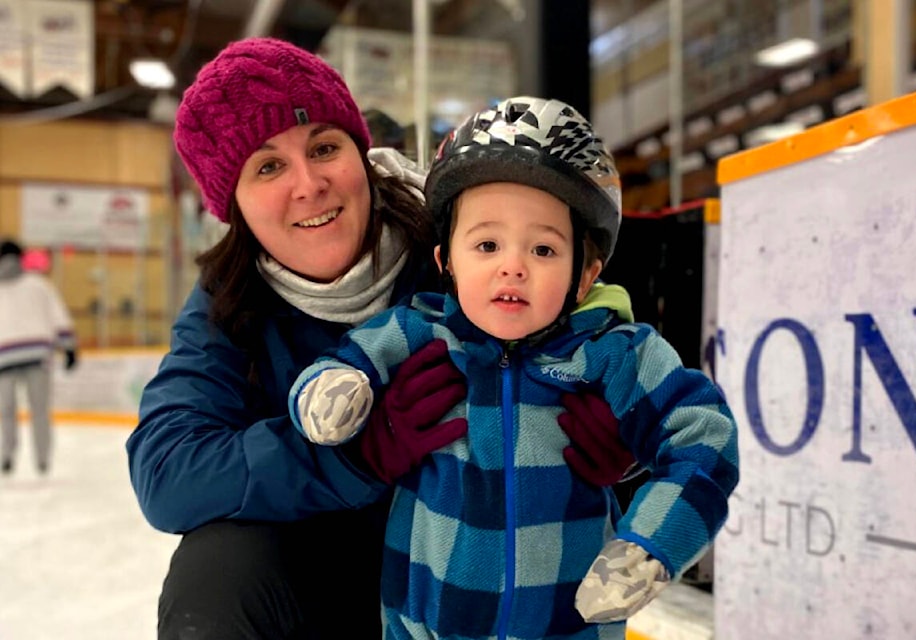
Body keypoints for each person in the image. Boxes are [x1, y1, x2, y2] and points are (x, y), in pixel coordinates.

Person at [125, 39, 630, 640]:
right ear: (233, 206)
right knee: (217, 572)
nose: (308, 184)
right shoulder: (227, 303)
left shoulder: (470, 247)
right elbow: (168, 471)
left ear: (360, 154)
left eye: (324, 147)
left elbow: (613, 354)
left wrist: (624, 451)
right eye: (267, 166)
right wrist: (350, 456)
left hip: (479, 568)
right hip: (328, 573)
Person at [289, 96, 741, 639]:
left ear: (584, 275)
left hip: (568, 626)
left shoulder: (614, 353)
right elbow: (339, 367)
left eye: (545, 250)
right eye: (486, 243)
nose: (512, 266)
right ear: (446, 261)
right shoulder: (420, 333)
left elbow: (706, 437)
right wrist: (328, 391)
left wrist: (651, 544)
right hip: (426, 625)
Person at [0, 239, 77, 475]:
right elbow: (58, 315)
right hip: (37, 354)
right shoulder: (39, 284)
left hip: (4, 358)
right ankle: (43, 459)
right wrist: (69, 347)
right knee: (40, 410)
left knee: (5, 412)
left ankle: (6, 456)